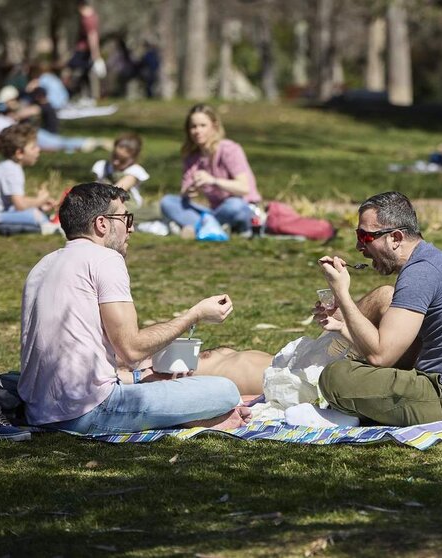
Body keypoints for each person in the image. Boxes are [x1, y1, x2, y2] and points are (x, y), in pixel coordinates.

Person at [17, 182, 272, 435]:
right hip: (87, 411)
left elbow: (83, 348)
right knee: (225, 390)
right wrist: (196, 314)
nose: (132, 228)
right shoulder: (105, 259)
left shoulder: (44, 264)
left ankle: (195, 417)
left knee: (165, 383)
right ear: (102, 224)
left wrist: (141, 377)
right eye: (126, 218)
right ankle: (194, 418)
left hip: (39, 411)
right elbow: (131, 349)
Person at [314, 191, 442, 426]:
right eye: (358, 235)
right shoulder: (431, 262)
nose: (358, 246)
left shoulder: (421, 273)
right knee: (353, 369)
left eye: (365, 237)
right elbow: (397, 348)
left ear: (395, 237)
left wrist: (342, 293)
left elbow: (381, 356)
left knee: (335, 377)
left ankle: (347, 413)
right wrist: (342, 326)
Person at [160, 104, 262, 238]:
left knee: (234, 205)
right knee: (168, 202)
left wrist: (213, 181)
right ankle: (214, 227)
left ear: (214, 126)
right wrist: (189, 191)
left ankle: (201, 227)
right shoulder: (192, 157)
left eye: (203, 126)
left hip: (242, 207)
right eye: (193, 127)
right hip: (215, 212)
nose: (197, 131)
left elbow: (244, 188)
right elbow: (184, 192)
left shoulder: (229, 150)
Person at [0, 123, 56, 236]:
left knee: (36, 212)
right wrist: (40, 200)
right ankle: (51, 228)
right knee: (34, 215)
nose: (38, 149)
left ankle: (46, 223)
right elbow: (20, 205)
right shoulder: (12, 171)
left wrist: (39, 204)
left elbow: (17, 201)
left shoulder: (8, 166)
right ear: (19, 153)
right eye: (33, 147)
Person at [91, 132, 148, 207]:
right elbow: (97, 184)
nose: (116, 163)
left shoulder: (134, 170)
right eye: (115, 157)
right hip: (105, 201)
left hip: (127, 205)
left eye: (123, 160)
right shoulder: (103, 166)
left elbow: (117, 190)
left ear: (134, 157)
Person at [67, 0, 105, 99]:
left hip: (83, 49)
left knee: (73, 65)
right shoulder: (92, 15)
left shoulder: (88, 18)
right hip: (85, 49)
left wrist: (96, 55)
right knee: (84, 72)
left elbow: (92, 36)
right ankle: (87, 96)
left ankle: (90, 67)